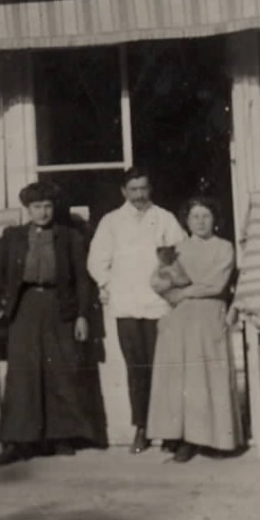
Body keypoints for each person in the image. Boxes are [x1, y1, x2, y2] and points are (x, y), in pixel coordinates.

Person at [0, 181, 105, 466]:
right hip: (24, 307)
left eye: (48, 206)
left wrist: (82, 316)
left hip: (59, 306)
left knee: (60, 369)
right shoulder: (12, 236)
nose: (43, 212)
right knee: (22, 375)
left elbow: (82, 280)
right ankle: (18, 442)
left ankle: (61, 437)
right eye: (37, 207)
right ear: (28, 209)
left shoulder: (70, 237)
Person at [87, 166, 185, 454]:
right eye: (134, 190)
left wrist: (167, 287)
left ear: (150, 189)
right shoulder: (112, 222)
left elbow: (178, 257)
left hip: (159, 306)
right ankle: (141, 427)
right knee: (136, 369)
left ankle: (168, 430)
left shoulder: (164, 218)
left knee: (162, 368)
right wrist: (110, 285)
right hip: (127, 307)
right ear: (123, 192)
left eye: (144, 189)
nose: (139, 195)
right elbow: (96, 261)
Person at [146, 196, 242, 462]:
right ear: (186, 221)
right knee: (182, 380)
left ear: (215, 220)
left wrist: (184, 291)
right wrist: (171, 293)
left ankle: (216, 439)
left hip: (209, 315)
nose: (200, 222)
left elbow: (215, 284)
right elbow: (157, 282)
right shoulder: (175, 249)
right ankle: (184, 438)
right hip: (179, 319)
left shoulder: (224, 248)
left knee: (207, 375)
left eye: (206, 216)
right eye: (195, 216)